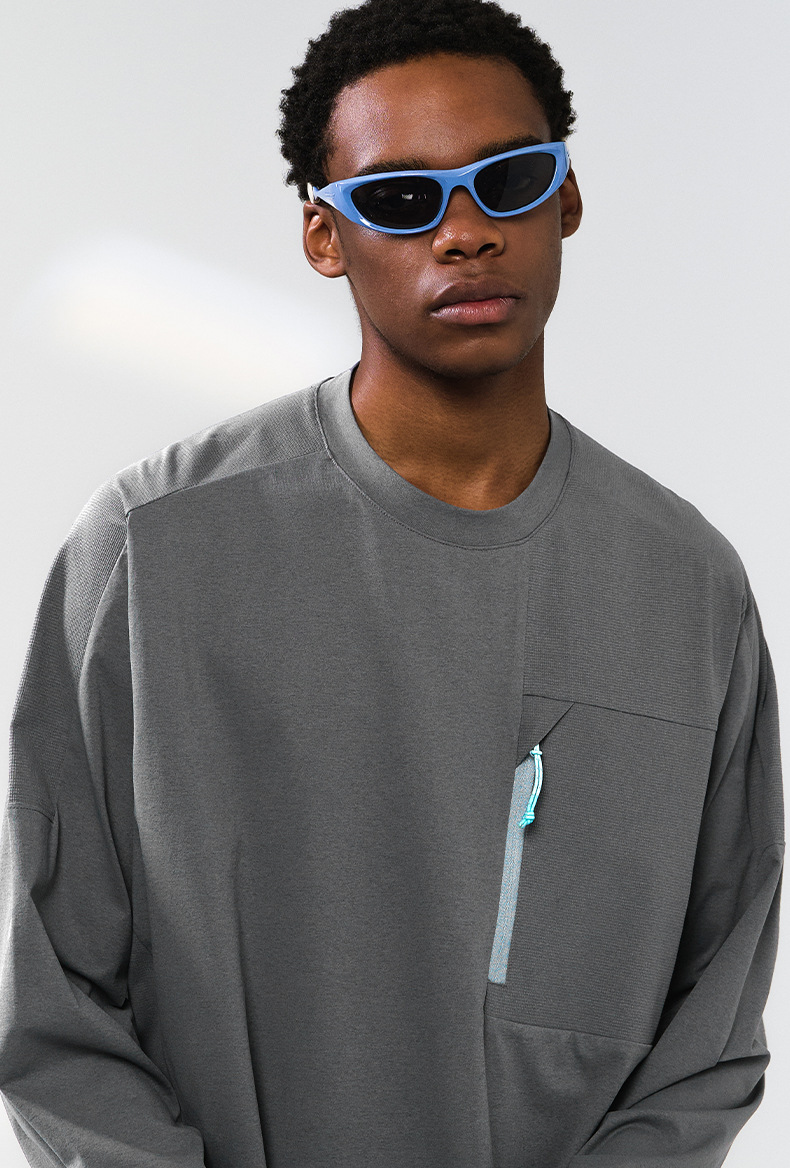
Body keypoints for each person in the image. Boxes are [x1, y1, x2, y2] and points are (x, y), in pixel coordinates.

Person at [0, 0, 784, 1165]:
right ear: (324, 237)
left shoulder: (687, 589)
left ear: (567, 198)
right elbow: (55, 1009)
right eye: (403, 200)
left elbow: (708, 1031)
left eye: (507, 180)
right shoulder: (151, 548)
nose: (464, 233)